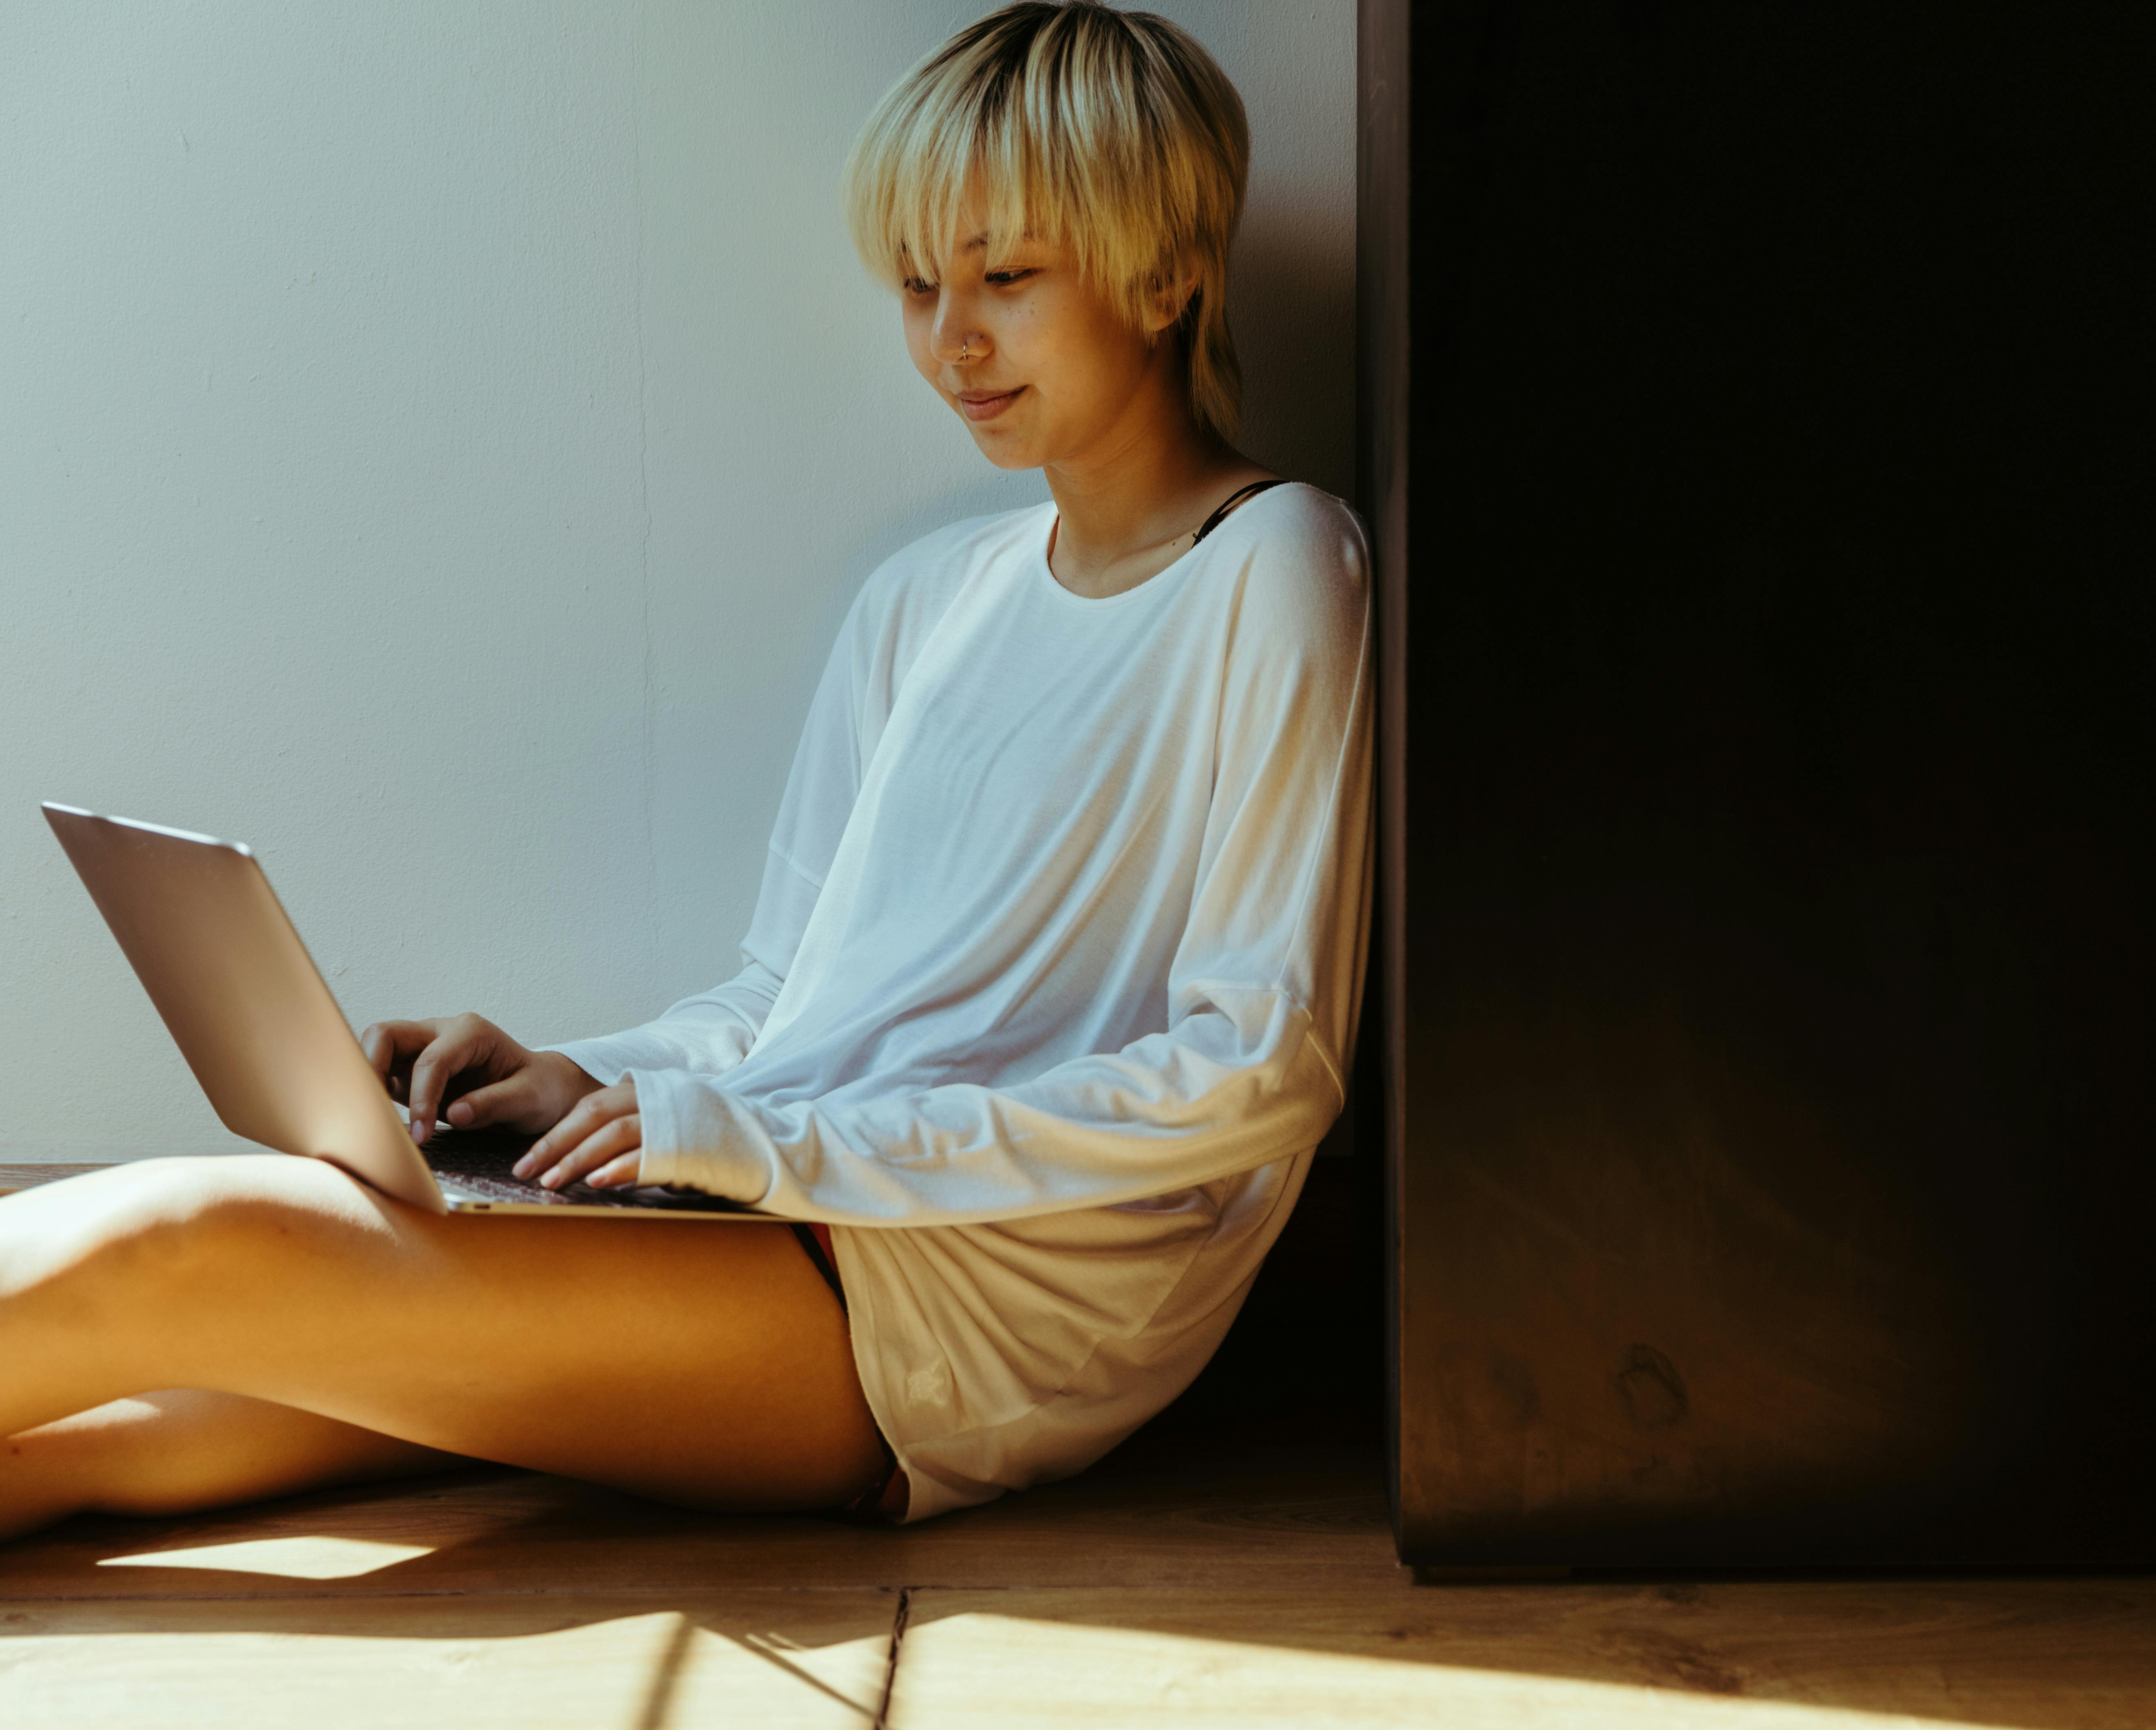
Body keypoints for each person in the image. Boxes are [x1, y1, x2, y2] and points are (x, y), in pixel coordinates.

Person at [0, 0, 1369, 1541]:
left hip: (946, 1319)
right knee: (88, 1445)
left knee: (199, 1238)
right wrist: (596, 1078)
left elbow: (1267, 1067)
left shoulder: (1276, 564)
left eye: (1006, 278)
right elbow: (788, 995)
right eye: (918, 285)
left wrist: (765, 1142)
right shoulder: (928, 599)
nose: (952, 339)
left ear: (1172, 273)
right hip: (772, 1218)